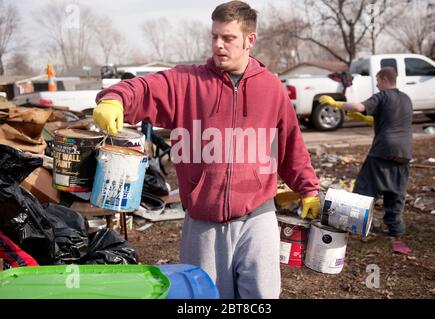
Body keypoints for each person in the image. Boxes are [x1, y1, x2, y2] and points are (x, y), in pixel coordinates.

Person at [93, 1, 320, 298]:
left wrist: (309, 190)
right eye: (214, 36)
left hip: (258, 218)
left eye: (228, 38)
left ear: (250, 40)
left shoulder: (272, 89)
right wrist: (114, 99)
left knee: (262, 297)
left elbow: (291, 146)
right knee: (204, 298)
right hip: (202, 223)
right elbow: (143, 88)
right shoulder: (187, 82)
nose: (218, 45)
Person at [319, 66, 413, 253]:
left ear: (384, 79)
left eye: (378, 81)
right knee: (396, 194)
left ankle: (353, 225)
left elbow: (359, 106)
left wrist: (336, 104)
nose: (377, 85)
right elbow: (392, 120)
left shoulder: (383, 96)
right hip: (404, 152)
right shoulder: (406, 99)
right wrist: (369, 118)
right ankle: (396, 230)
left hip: (382, 151)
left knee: (363, 191)